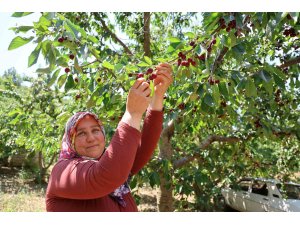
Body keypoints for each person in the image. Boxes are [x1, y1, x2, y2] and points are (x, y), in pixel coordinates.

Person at [45, 63, 173, 212]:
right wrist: (132, 114)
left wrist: (157, 96)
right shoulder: (62, 172)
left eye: (95, 130)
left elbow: (145, 145)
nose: (91, 138)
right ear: (70, 142)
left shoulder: (115, 164)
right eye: (81, 133)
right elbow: (104, 176)